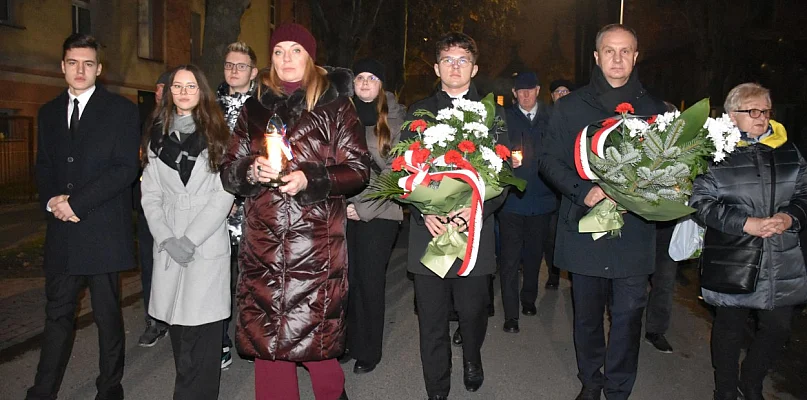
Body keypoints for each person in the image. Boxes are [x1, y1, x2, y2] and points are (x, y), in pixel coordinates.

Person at [220, 23, 369, 400]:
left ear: (310, 57)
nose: (287, 59)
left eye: (296, 51)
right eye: (279, 51)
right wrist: (250, 170)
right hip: (264, 250)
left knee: (318, 352)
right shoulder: (254, 109)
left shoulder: (336, 106)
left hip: (315, 250)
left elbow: (359, 170)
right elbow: (228, 169)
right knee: (269, 352)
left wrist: (311, 179)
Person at [537, 24, 667, 400]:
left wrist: (651, 192)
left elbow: (668, 171)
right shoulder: (571, 106)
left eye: (625, 51)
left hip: (634, 233)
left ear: (636, 56)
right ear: (596, 57)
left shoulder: (656, 110)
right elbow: (548, 161)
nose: (617, 58)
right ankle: (591, 381)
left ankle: (619, 388)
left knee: (628, 318)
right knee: (588, 316)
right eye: (609, 51)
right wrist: (583, 190)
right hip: (585, 230)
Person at [28, 33, 140, 400]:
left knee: (108, 316)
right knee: (56, 316)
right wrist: (52, 202)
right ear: (62, 66)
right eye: (73, 62)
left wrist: (76, 202)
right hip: (63, 231)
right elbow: (43, 166)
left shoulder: (121, 110)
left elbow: (125, 169)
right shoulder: (47, 113)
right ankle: (42, 391)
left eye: (88, 63)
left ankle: (109, 388)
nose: (80, 70)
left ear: (99, 69)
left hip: (103, 230)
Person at [402, 31, 508, 400]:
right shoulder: (418, 111)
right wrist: (421, 212)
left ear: (474, 68)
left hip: (474, 233)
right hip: (428, 233)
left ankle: (473, 357)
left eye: (463, 60)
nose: (455, 67)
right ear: (436, 67)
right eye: (448, 60)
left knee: (473, 311)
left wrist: (475, 208)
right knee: (431, 321)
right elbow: (403, 170)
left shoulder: (493, 115)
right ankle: (437, 389)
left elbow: (504, 177)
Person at [690, 82, 807, 400]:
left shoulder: (788, 150)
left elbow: (803, 194)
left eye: (765, 110)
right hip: (734, 256)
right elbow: (700, 203)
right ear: (731, 115)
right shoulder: (712, 153)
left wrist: (789, 217)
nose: (761, 117)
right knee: (729, 327)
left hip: (781, 256)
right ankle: (726, 389)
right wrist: (745, 223)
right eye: (752, 110)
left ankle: (752, 379)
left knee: (778, 327)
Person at [139, 64, 234, 400]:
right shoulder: (156, 137)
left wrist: (189, 239)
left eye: (190, 86)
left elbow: (224, 194)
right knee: (180, 337)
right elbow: (149, 194)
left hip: (204, 244)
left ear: (201, 91)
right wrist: (165, 237)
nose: (182, 92)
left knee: (205, 339)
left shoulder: (219, 134)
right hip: (169, 245)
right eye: (177, 86)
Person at [341, 58, 404, 374]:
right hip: (344, 212)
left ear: (382, 84)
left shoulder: (397, 118)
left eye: (372, 77)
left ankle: (370, 349)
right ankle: (349, 341)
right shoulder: (342, 114)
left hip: (380, 213)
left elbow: (398, 172)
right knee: (347, 281)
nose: (365, 83)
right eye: (360, 77)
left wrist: (361, 207)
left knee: (369, 282)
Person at [496, 71, 556, 334]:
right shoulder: (505, 119)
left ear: (538, 90)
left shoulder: (551, 118)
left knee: (533, 256)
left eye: (530, 90)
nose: (525, 95)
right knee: (509, 259)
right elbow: (492, 152)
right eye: (520, 91)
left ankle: (528, 299)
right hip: (512, 201)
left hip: (542, 200)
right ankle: (511, 315)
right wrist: (505, 162)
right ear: (514, 94)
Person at [215, 40, 258, 369]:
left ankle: (254, 337)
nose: (233, 71)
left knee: (253, 278)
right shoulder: (209, 105)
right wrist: (219, 198)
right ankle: (220, 342)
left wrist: (238, 196)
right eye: (230, 65)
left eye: (240, 66)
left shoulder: (262, 107)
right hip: (215, 207)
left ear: (253, 72)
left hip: (252, 207)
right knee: (217, 278)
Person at [643, 100, 682, 354]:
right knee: (631, 280)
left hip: (667, 225)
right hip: (639, 223)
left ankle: (656, 330)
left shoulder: (682, 151)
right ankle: (624, 323)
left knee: (664, 281)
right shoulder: (639, 146)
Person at [137, 69, 173, 348]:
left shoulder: (186, 120)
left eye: (165, 88)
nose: (159, 93)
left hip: (178, 206)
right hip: (150, 204)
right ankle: (155, 320)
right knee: (150, 263)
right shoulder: (146, 119)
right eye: (157, 87)